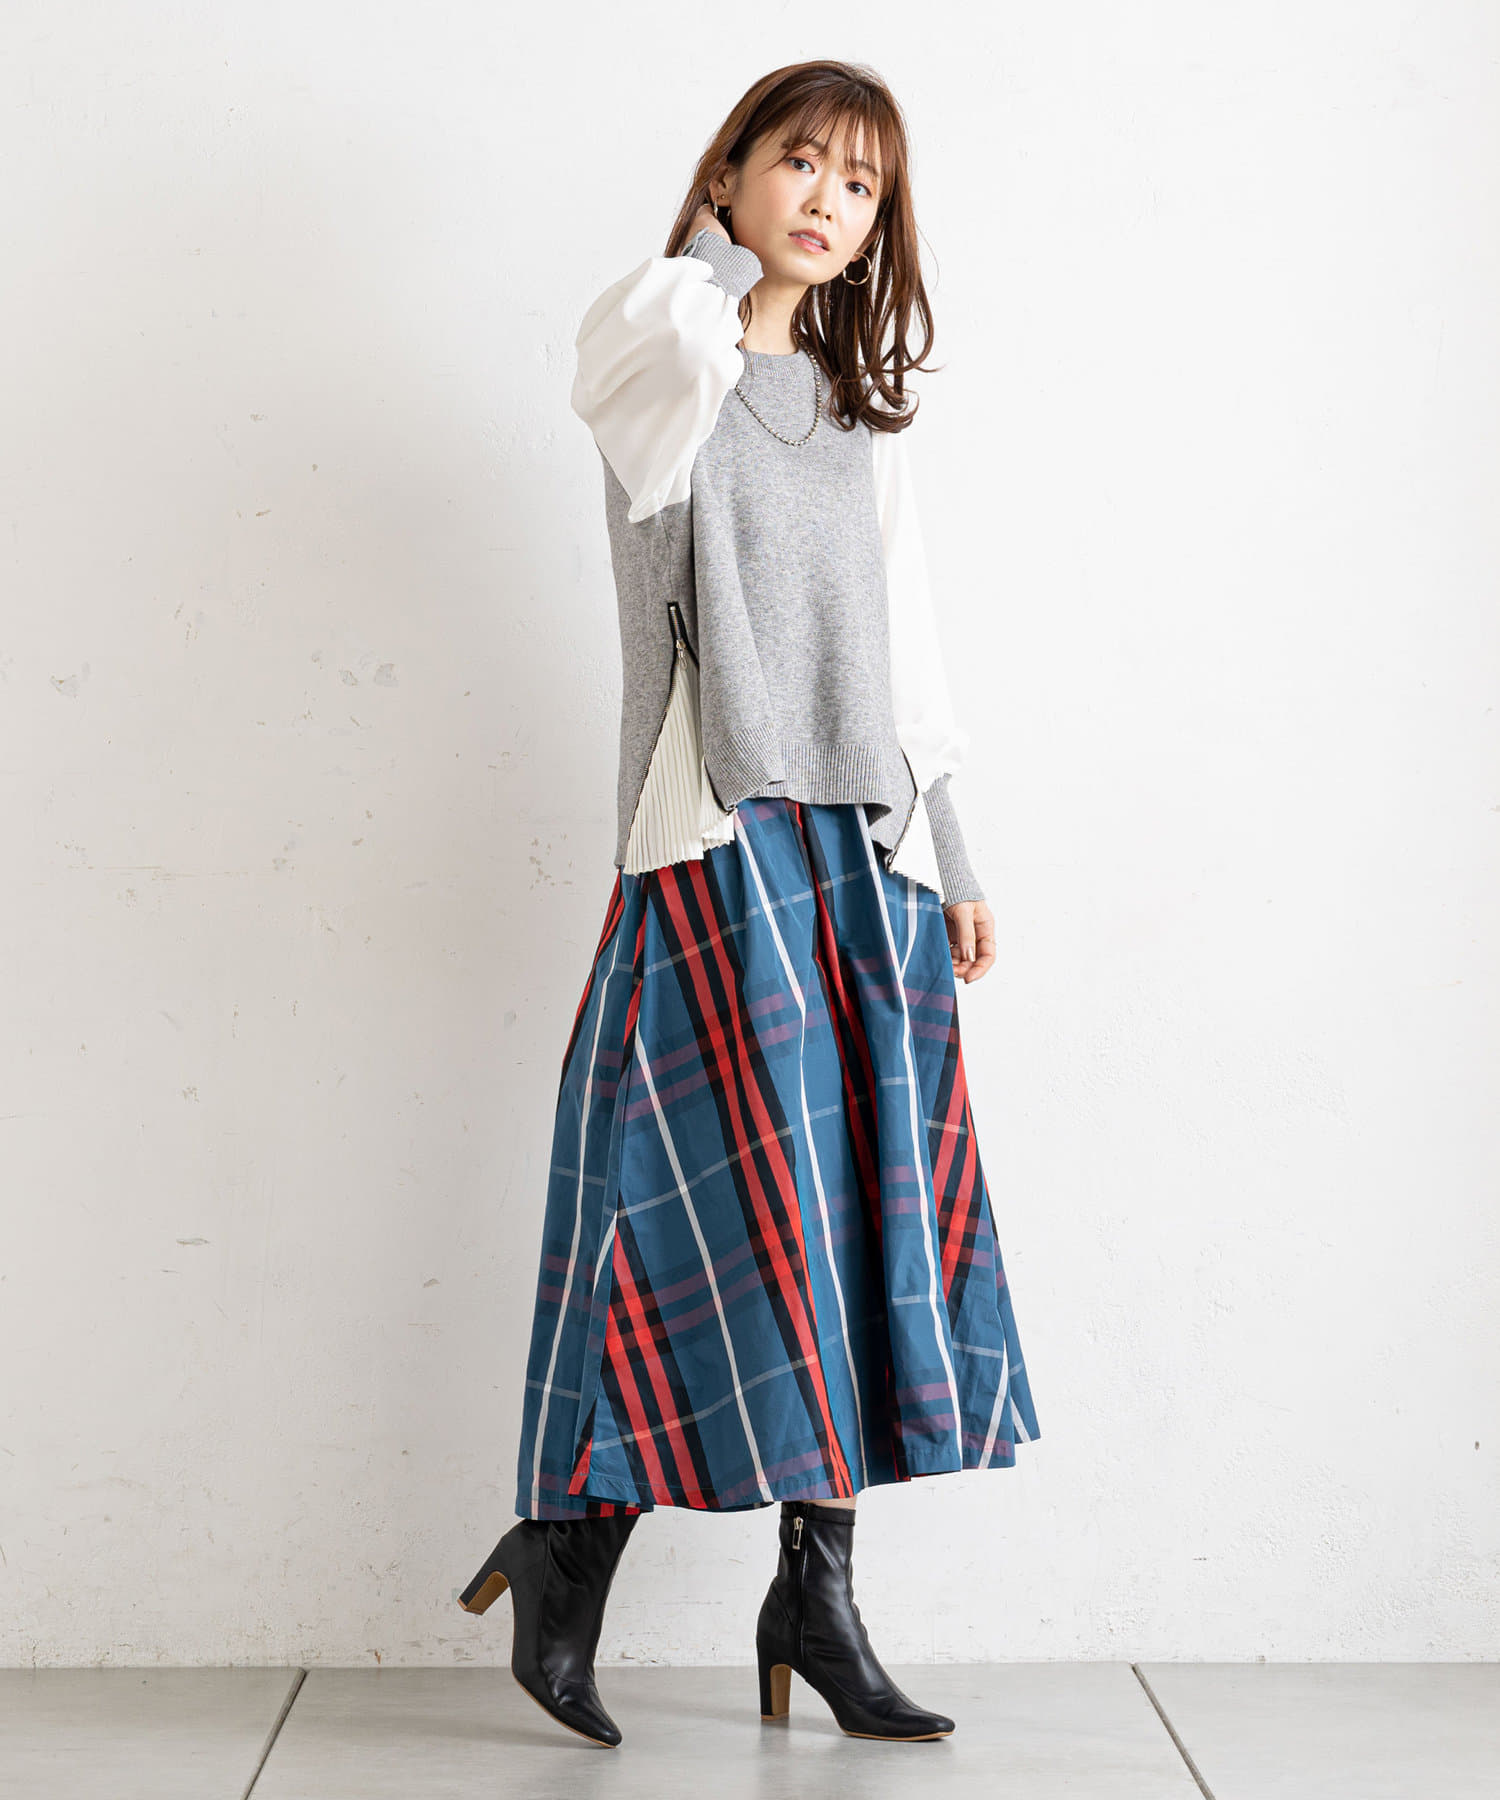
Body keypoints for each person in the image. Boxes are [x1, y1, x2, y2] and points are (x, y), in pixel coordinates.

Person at [458, 58, 1041, 1750]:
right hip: (716, 843)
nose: (828, 202)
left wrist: (956, 852)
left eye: (862, 185)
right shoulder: (669, 362)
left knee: (849, 1217)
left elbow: (906, 658)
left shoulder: (861, 420)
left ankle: (818, 1595)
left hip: (861, 852)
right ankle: (569, 1546)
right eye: (800, 163)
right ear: (729, 175)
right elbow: (648, 334)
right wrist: (723, 253)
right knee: (678, 1209)